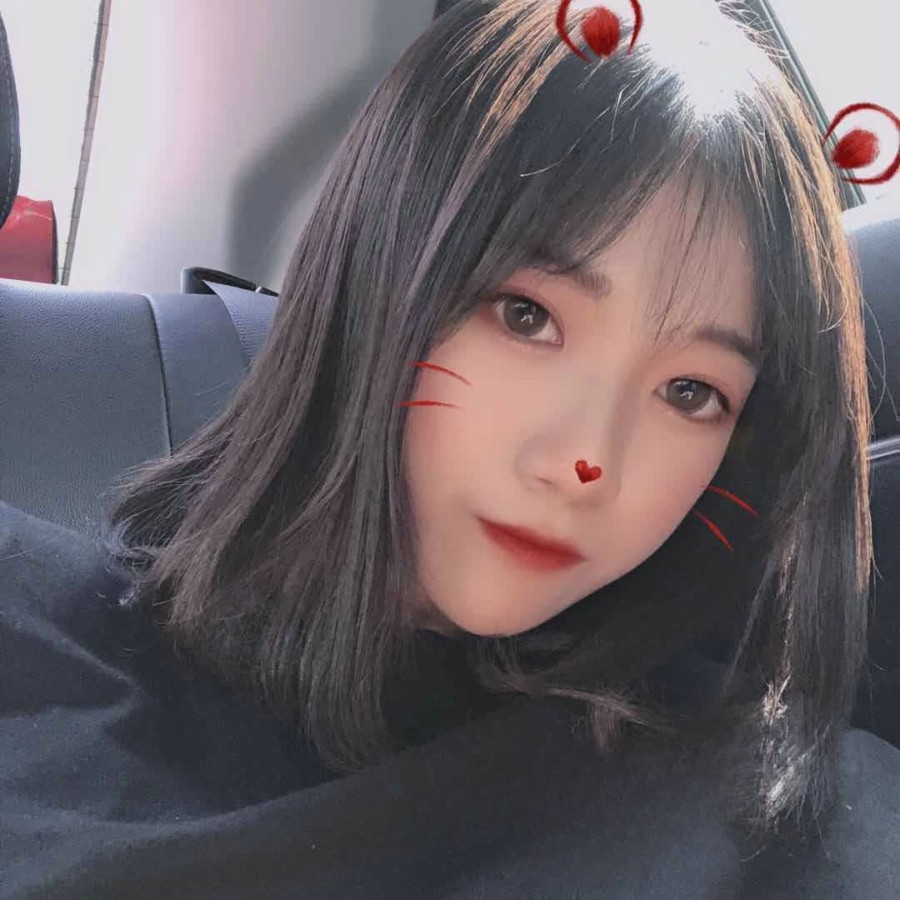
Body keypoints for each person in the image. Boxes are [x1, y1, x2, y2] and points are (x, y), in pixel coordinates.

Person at [2, 0, 899, 896]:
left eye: (690, 392)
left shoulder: (766, 807)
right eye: (526, 317)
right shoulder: (37, 662)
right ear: (375, 272)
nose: (585, 463)